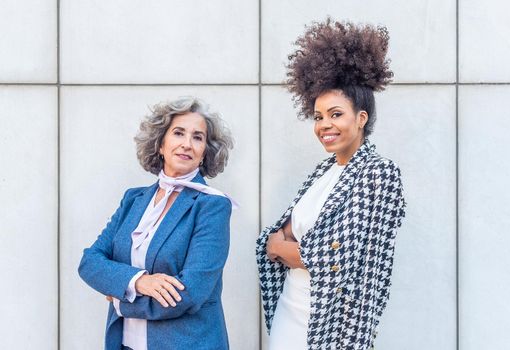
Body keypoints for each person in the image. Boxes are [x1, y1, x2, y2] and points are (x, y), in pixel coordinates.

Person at [256, 19, 406, 350]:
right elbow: (285, 234)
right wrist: (287, 246)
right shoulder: (323, 172)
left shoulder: (379, 174)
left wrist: (284, 248)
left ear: (361, 118)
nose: (325, 124)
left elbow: (333, 257)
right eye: (319, 116)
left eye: (336, 114)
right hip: (289, 312)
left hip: (334, 324)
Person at [79, 96, 235, 350]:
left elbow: (189, 293)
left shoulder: (212, 205)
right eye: (178, 133)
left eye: (197, 137)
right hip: (126, 344)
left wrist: (121, 301)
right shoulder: (133, 199)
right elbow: (90, 262)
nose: (187, 144)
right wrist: (138, 281)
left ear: (205, 151)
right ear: (160, 144)